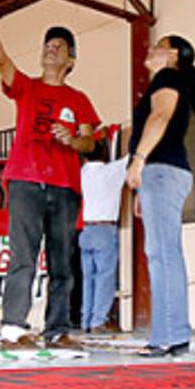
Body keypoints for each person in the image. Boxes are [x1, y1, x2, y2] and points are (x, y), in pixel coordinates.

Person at [0, 0, 98, 350]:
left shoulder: (79, 99)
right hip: (26, 182)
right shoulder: (26, 87)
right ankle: (13, 328)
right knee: (23, 257)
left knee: (62, 263)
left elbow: (89, 143)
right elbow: (0, 59)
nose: (51, 49)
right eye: (47, 44)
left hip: (64, 187)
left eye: (59, 46)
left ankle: (56, 330)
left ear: (71, 60)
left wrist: (73, 140)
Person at [126, 35, 195, 356]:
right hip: (163, 174)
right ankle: (173, 334)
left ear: (173, 54)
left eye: (159, 44)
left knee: (163, 255)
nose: (151, 48)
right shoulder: (172, 79)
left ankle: (168, 336)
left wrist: (139, 159)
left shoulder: (168, 77)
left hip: (161, 169)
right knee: (164, 253)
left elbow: (160, 117)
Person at [79, 129, 128, 333]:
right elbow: (132, 157)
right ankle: (99, 321)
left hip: (86, 230)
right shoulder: (111, 171)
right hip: (105, 230)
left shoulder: (82, 173)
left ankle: (85, 320)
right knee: (104, 277)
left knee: (88, 277)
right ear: (105, 154)